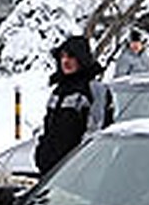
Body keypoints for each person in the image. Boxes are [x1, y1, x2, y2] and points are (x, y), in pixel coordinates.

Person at [34, 34, 113, 174]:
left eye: (71, 57)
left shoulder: (95, 90)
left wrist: (79, 166)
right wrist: (41, 154)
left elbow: (95, 134)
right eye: (63, 57)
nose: (66, 61)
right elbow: (47, 128)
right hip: (50, 172)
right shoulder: (58, 91)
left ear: (81, 59)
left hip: (78, 173)